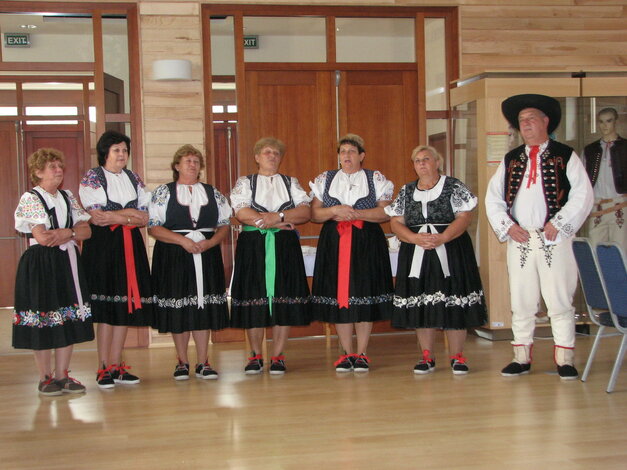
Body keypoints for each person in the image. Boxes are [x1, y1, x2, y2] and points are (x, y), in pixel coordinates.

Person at [485, 94, 593, 380]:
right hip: (520, 239)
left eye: (531, 118)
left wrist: (559, 223)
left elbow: (583, 194)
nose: (526, 124)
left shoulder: (565, 155)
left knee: (559, 299)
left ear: (545, 121)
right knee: (521, 300)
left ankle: (565, 358)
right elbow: (493, 198)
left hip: (554, 238)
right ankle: (521, 357)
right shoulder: (511, 159)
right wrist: (508, 227)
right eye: (522, 120)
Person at [386, 145, 487, 375]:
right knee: (422, 302)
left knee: (453, 301)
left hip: (451, 250)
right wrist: (413, 238)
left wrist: (443, 237)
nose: (421, 164)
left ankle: (457, 356)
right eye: (417, 160)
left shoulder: (453, 186)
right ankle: (427, 356)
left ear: (437, 162)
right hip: (416, 251)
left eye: (426, 159)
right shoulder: (407, 190)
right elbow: (395, 221)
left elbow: (464, 217)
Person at [309, 133, 394, 373]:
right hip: (334, 242)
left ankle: (363, 352)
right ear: (338, 156)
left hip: (367, 242)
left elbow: (385, 214)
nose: (346, 155)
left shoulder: (375, 178)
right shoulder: (325, 179)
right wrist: (334, 210)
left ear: (361, 156)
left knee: (363, 293)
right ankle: (347, 353)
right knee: (340, 297)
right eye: (343, 152)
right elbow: (315, 214)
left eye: (351, 151)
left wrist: (355, 214)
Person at [13, 148, 93, 395]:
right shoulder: (31, 198)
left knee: (66, 315)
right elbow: (43, 237)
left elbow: (87, 231)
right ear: (38, 172)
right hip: (41, 264)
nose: (58, 171)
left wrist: (66, 233)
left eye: (60, 166)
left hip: (66, 261)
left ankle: (63, 375)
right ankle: (45, 377)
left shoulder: (67, 197)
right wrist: (69, 232)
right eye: (52, 167)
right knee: (44, 315)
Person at [229, 137, 311, 375]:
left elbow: (304, 211)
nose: (272, 156)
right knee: (254, 298)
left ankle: (278, 355)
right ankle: (255, 355)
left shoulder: (290, 182)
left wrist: (279, 218)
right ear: (257, 157)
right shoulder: (245, 182)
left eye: (276, 153)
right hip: (253, 245)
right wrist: (266, 221)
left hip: (284, 246)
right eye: (267, 152)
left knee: (283, 298)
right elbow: (241, 211)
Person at [149, 145, 231, 380]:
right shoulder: (163, 192)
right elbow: (154, 227)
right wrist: (181, 241)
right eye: (187, 161)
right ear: (177, 166)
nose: (192, 165)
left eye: (196, 161)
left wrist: (212, 242)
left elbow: (224, 224)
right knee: (180, 307)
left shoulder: (213, 192)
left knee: (202, 306)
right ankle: (182, 362)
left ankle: (204, 361)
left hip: (206, 252)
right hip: (174, 255)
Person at [79, 130, 153, 389]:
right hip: (103, 246)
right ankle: (103, 368)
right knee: (107, 309)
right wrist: (130, 215)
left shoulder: (133, 177)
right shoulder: (93, 176)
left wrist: (120, 216)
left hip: (130, 245)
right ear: (105, 153)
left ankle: (116, 364)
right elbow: (98, 217)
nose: (122, 154)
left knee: (124, 306)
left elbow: (146, 217)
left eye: (124, 150)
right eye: (116, 150)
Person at [583, 107, 626, 249]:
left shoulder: (625, 147)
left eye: (609, 121)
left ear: (616, 122)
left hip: (620, 204)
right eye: (601, 122)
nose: (604, 125)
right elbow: (583, 181)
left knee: (620, 251)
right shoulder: (590, 150)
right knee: (595, 249)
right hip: (597, 206)